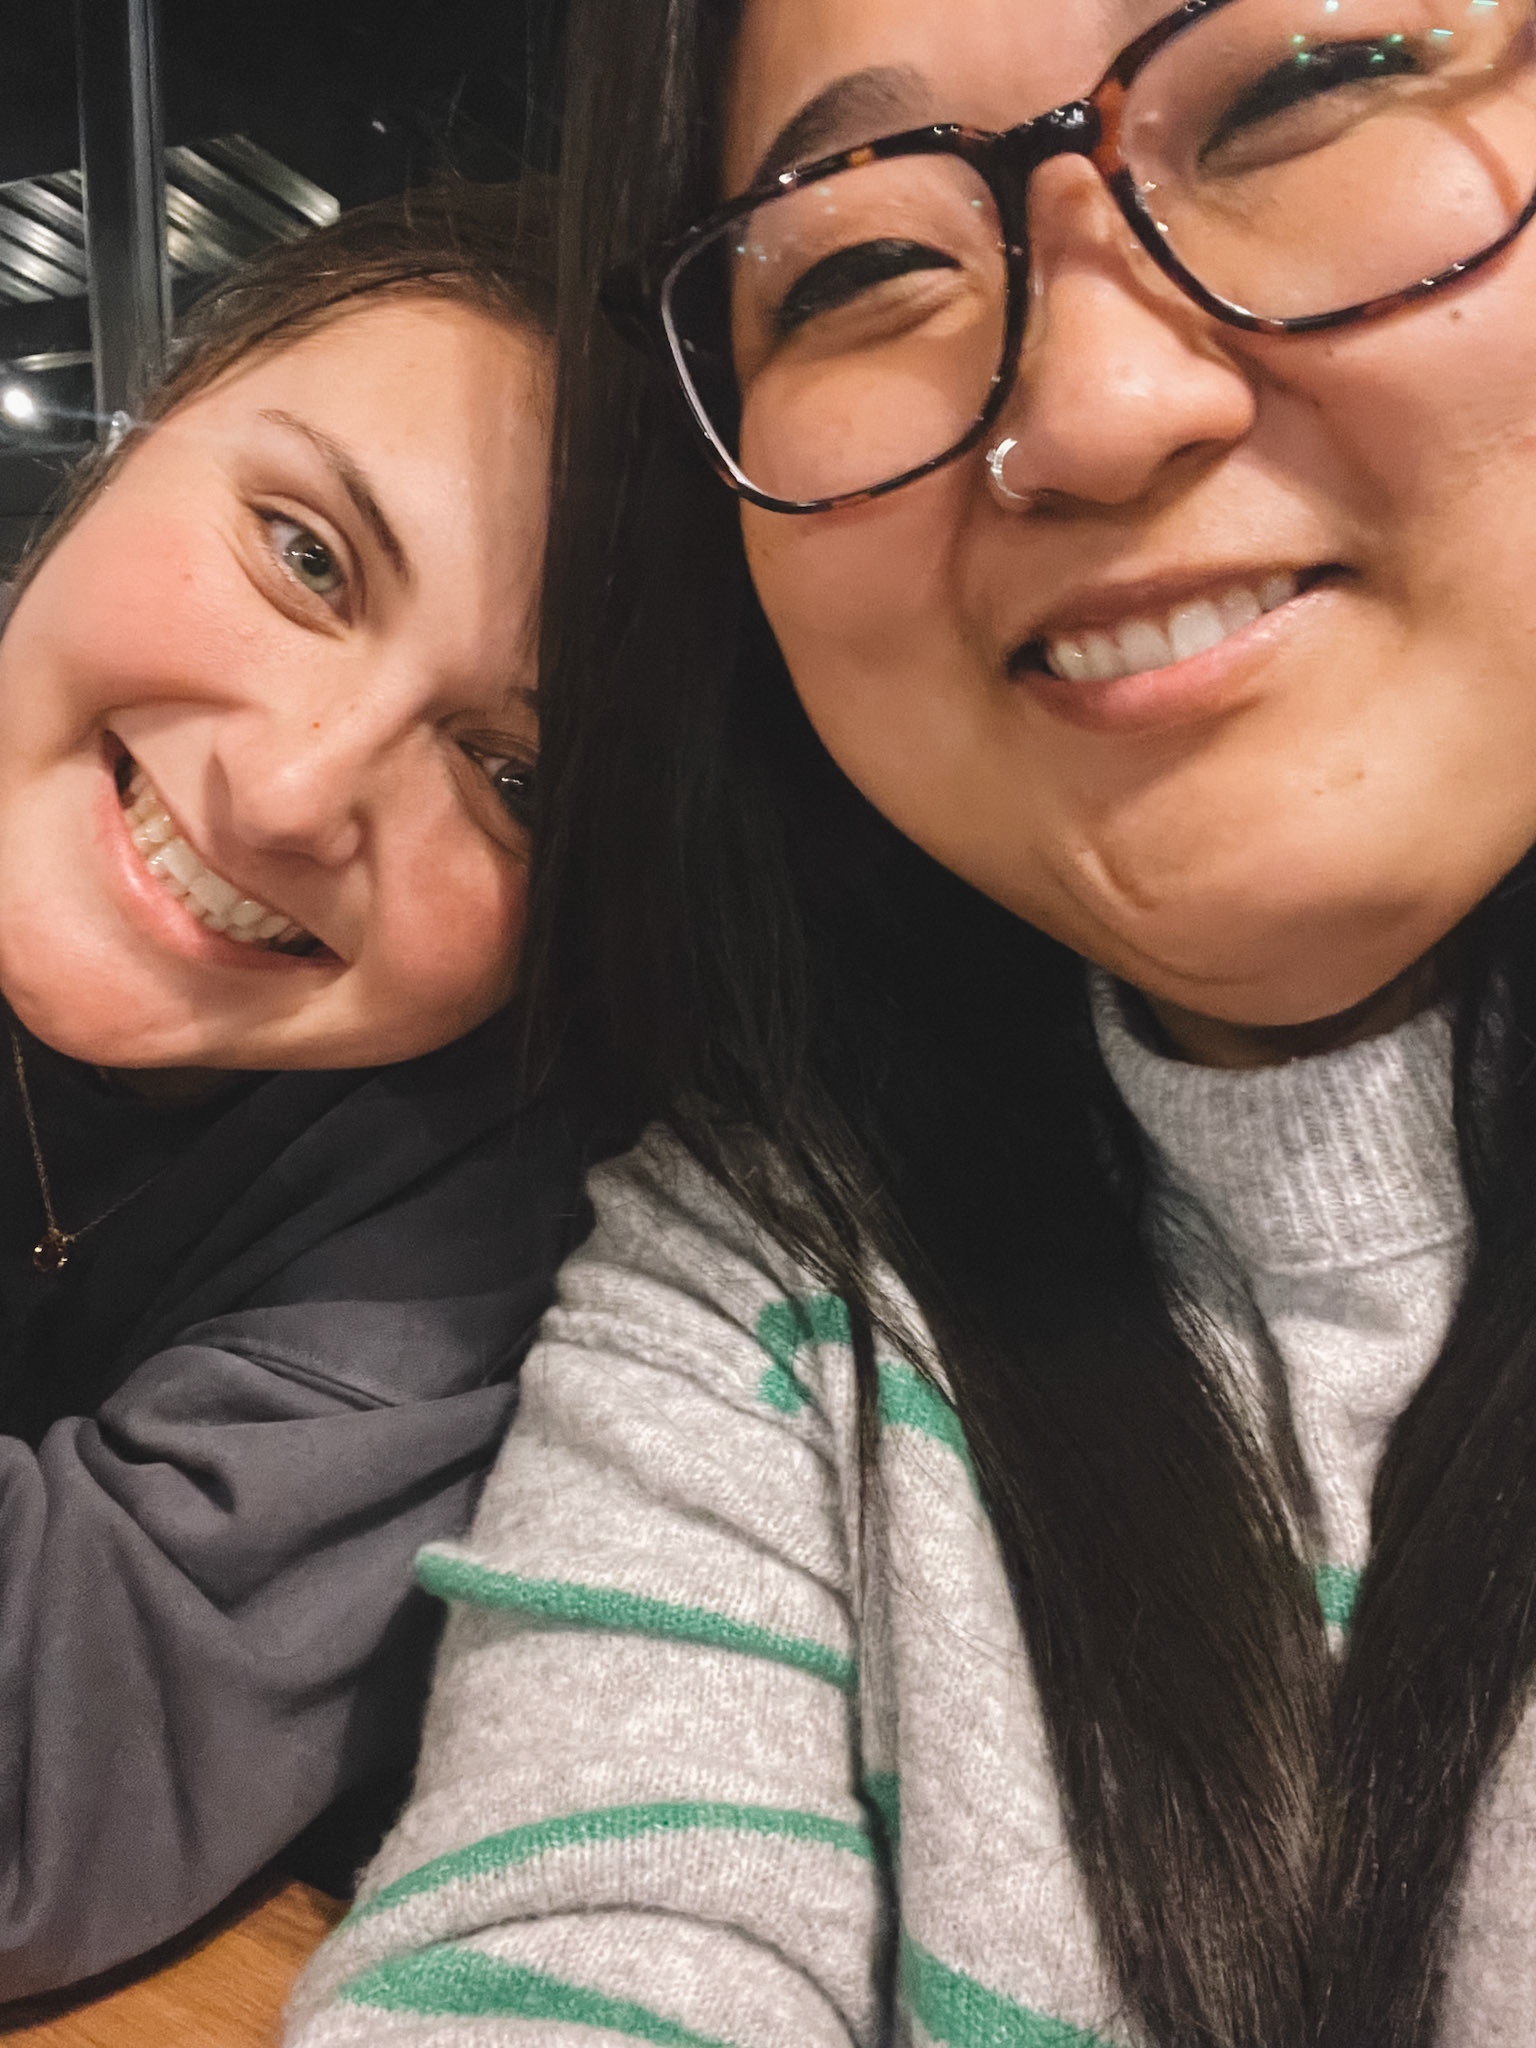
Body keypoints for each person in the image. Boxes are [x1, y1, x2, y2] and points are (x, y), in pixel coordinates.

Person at [286, 2, 1536, 2044]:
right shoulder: (772, 1267)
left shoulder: (459, 1223)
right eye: (861, 262)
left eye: (1302, 84)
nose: (1097, 406)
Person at [0, 181, 607, 2001]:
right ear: (131, 440)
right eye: (309, 556)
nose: (285, 797)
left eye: (510, 772)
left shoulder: (471, 1181)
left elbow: (48, 1771)